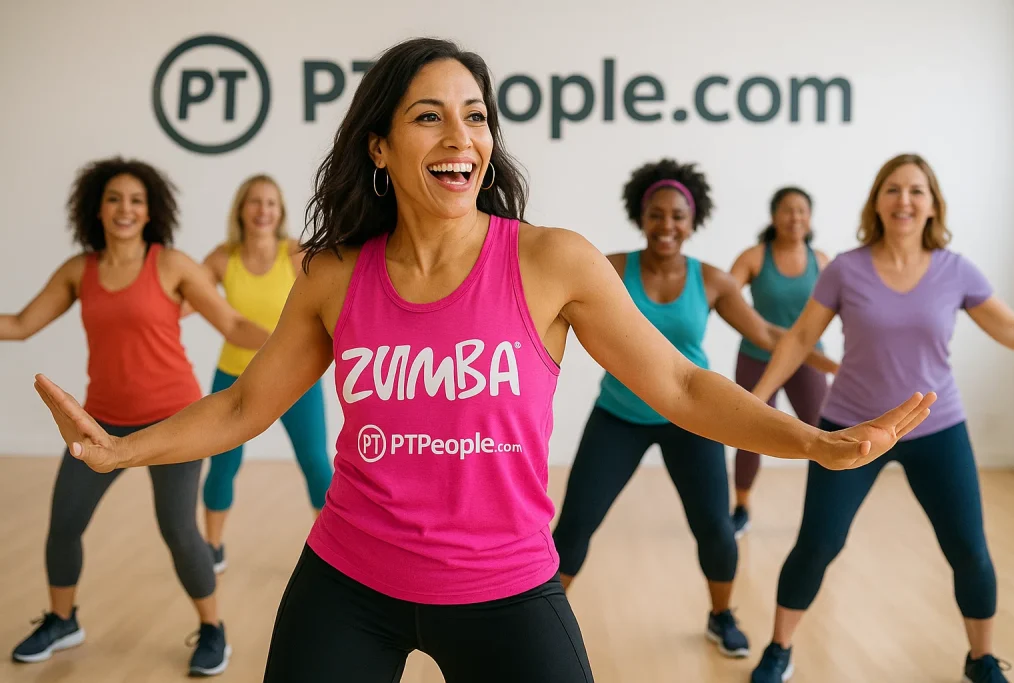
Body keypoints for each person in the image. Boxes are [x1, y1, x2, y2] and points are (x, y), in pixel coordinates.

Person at [31, 40, 934, 683]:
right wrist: (120, 447)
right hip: (349, 578)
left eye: (475, 116)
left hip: (505, 586)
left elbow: (682, 382)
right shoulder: (335, 275)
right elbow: (240, 408)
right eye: (429, 116)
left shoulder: (550, 261)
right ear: (380, 148)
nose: (461, 134)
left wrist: (808, 442)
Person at [550, 160, 839, 660]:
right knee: (574, 526)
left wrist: (832, 362)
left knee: (716, 529)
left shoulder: (712, 281)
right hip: (618, 415)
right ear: (641, 217)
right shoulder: (612, 268)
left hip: (692, 419)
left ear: (693, 220)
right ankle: (547, 626)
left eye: (678, 216)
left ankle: (720, 615)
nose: (667, 226)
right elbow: (555, 307)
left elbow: (767, 335)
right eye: (657, 215)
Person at [747, 154, 1014, 683]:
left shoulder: (956, 270)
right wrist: (757, 399)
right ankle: (779, 649)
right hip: (850, 427)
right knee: (819, 543)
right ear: (877, 201)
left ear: (934, 203)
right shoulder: (846, 268)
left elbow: (1013, 332)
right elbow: (801, 337)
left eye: (917, 190)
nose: (905, 200)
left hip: (937, 427)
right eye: (893, 190)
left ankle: (981, 659)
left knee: (968, 548)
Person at [5, 157, 269, 675]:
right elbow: (18, 323)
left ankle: (213, 629)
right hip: (100, 422)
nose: (125, 209)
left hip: (174, 421)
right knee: (63, 523)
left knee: (178, 530)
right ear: (96, 209)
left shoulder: (170, 264)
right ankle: (63, 620)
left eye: (136, 200)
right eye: (114, 199)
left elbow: (234, 324)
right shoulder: (79, 271)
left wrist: (309, 341)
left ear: (151, 211)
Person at [189, 174, 333, 574]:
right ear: (241, 209)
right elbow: (188, 298)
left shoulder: (298, 253)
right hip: (235, 375)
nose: (263, 210)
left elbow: (332, 297)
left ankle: (334, 553)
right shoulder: (222, 258)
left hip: (296, 378)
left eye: (271, 203)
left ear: (281, 212)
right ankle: (212, 547)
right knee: (222, 464)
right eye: (255, 202)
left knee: (315, 463)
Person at [728, 187, 830, 538]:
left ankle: (822, 511)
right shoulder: (755, 257)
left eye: (802, 210)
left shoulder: (821, 261)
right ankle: (741, 506)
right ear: (774, 216)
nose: (795, 217)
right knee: (750, 433)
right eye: (787, 210)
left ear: (810, 217)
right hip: (757, 358)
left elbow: (844, 305)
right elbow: (727, 297)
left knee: (823, 434)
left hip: (808, 360)